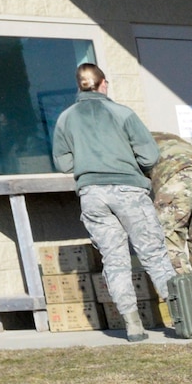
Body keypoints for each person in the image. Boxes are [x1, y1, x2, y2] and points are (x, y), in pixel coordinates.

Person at [50, 63, 173, 343]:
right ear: (103, 84)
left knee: (114, 260)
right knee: (153, 253)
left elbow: (64, 163)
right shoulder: (122, 114)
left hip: (92, 195)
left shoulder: (65, 118)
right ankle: (180, 315)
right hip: (128, 190)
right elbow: (150, 156)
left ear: (79, 86)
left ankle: (132, 326)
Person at [150, 130, 192, 275]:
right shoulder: (164, 136)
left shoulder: (130, 142)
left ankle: (186, 289)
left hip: (179, 174)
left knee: (167, 234)